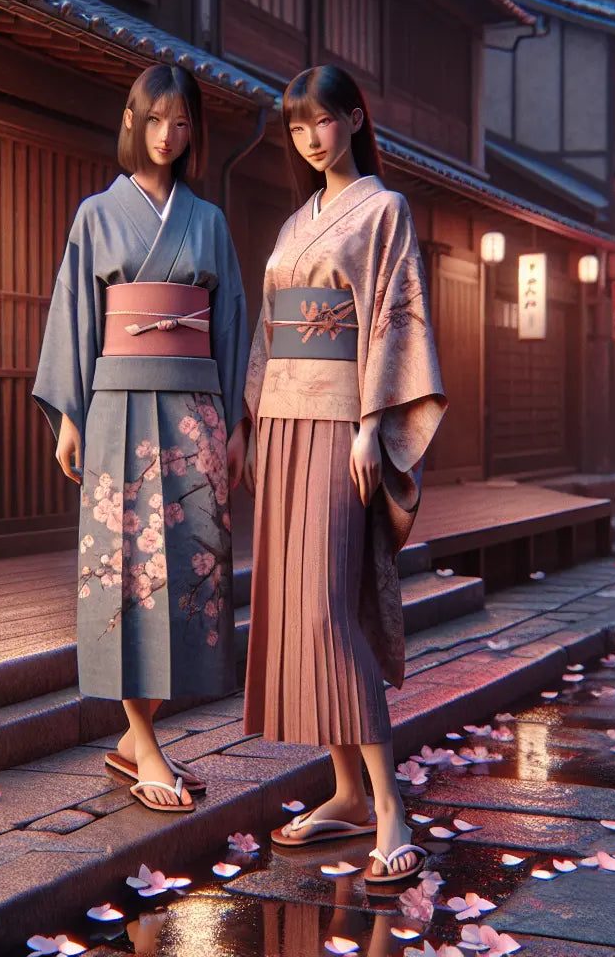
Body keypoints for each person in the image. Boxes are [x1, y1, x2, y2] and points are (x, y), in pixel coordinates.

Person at [242, 64, 446, 882]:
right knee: (298, 608)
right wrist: (254, 423)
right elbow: (269, 331)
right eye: (297, 128)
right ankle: (347, 792)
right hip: (283, 421)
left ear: (355, 119)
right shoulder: (296, 223)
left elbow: (394, 318)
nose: (311, 139)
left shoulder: (383, 210)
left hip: (341, 422)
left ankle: (390, 806)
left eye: (323, 121)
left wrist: (370, 426)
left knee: (331, 608)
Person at [33, 64, 249, 814]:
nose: (167, 135)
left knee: (187, 570)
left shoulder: (208, 221)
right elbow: (75, 314)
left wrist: (237, 424)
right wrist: (69, 414)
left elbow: (231, 323)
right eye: (154, 119)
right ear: (132, 121)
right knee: (126, 569)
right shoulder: (97, 216)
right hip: (118, 407)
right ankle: (145, 741)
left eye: (181, 122)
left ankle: (137, 740)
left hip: (195, 413)